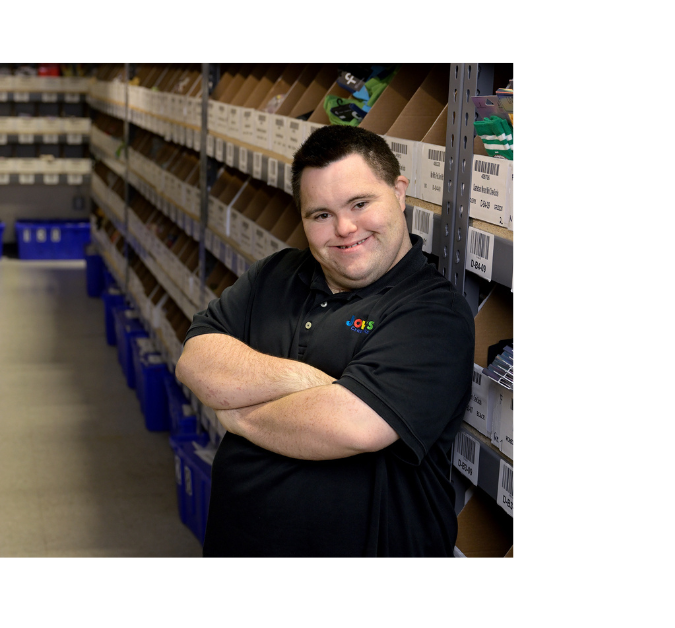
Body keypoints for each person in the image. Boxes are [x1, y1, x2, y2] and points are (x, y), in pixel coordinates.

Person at [175, 125, 475, 557]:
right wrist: (316, 386)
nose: (344, 228)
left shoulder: (432, 313)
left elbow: (352, 427)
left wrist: (239, 412)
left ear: (399, 192)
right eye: (321, 215)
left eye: (360, 203)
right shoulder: (276, 274)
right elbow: (197, 360)